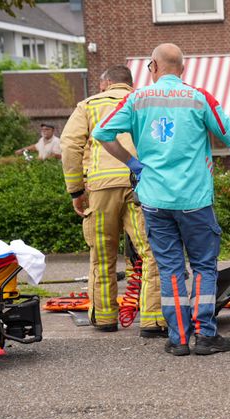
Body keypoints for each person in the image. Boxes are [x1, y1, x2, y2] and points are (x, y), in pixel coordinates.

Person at [92, 43, 230, 356]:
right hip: (194, 200)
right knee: (203, 269)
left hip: (155, 201)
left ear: (153, 66)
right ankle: (206, 336)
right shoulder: (199, 98)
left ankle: (179, 338)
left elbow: (102, 134)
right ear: (182, 69)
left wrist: (132, 163)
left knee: (170, 270)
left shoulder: (136, 100)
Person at [60, 65, 167, 337]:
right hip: (141, 186)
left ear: (105, 83)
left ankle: (105, 318)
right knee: (151, 251)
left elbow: (70, 145)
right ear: (129, 84)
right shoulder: (144, 101)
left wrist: (75, 190)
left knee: (102, 255)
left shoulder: (87, 106)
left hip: (100, 189)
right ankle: (153, 320)